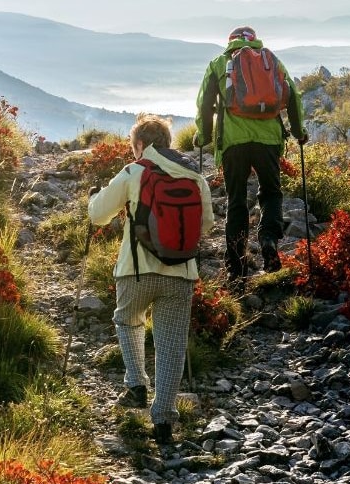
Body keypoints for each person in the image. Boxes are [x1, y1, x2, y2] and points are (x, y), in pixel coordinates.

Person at [88, 114, 215, 443]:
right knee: (171, 345)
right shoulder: (194, 175)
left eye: (134, 147)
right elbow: (206, 225)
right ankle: (163, 421)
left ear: (141, 144)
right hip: (182, 274)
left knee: (128, 319)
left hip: (137, 271)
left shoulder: (135, 171)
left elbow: (97, 214)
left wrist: (94, 197)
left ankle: (136, 385)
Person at [195, 26, 307, 285]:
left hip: (234, 143)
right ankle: (268, 239)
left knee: (236, 200)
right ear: (254, 41)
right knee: (271, 193)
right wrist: (299, 132)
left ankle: (236, 267)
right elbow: (293, 97)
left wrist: (204, 137)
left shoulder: (219, 63)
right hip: (268, 140)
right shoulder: (272, 62)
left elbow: (204, 102)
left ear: (230, 42)